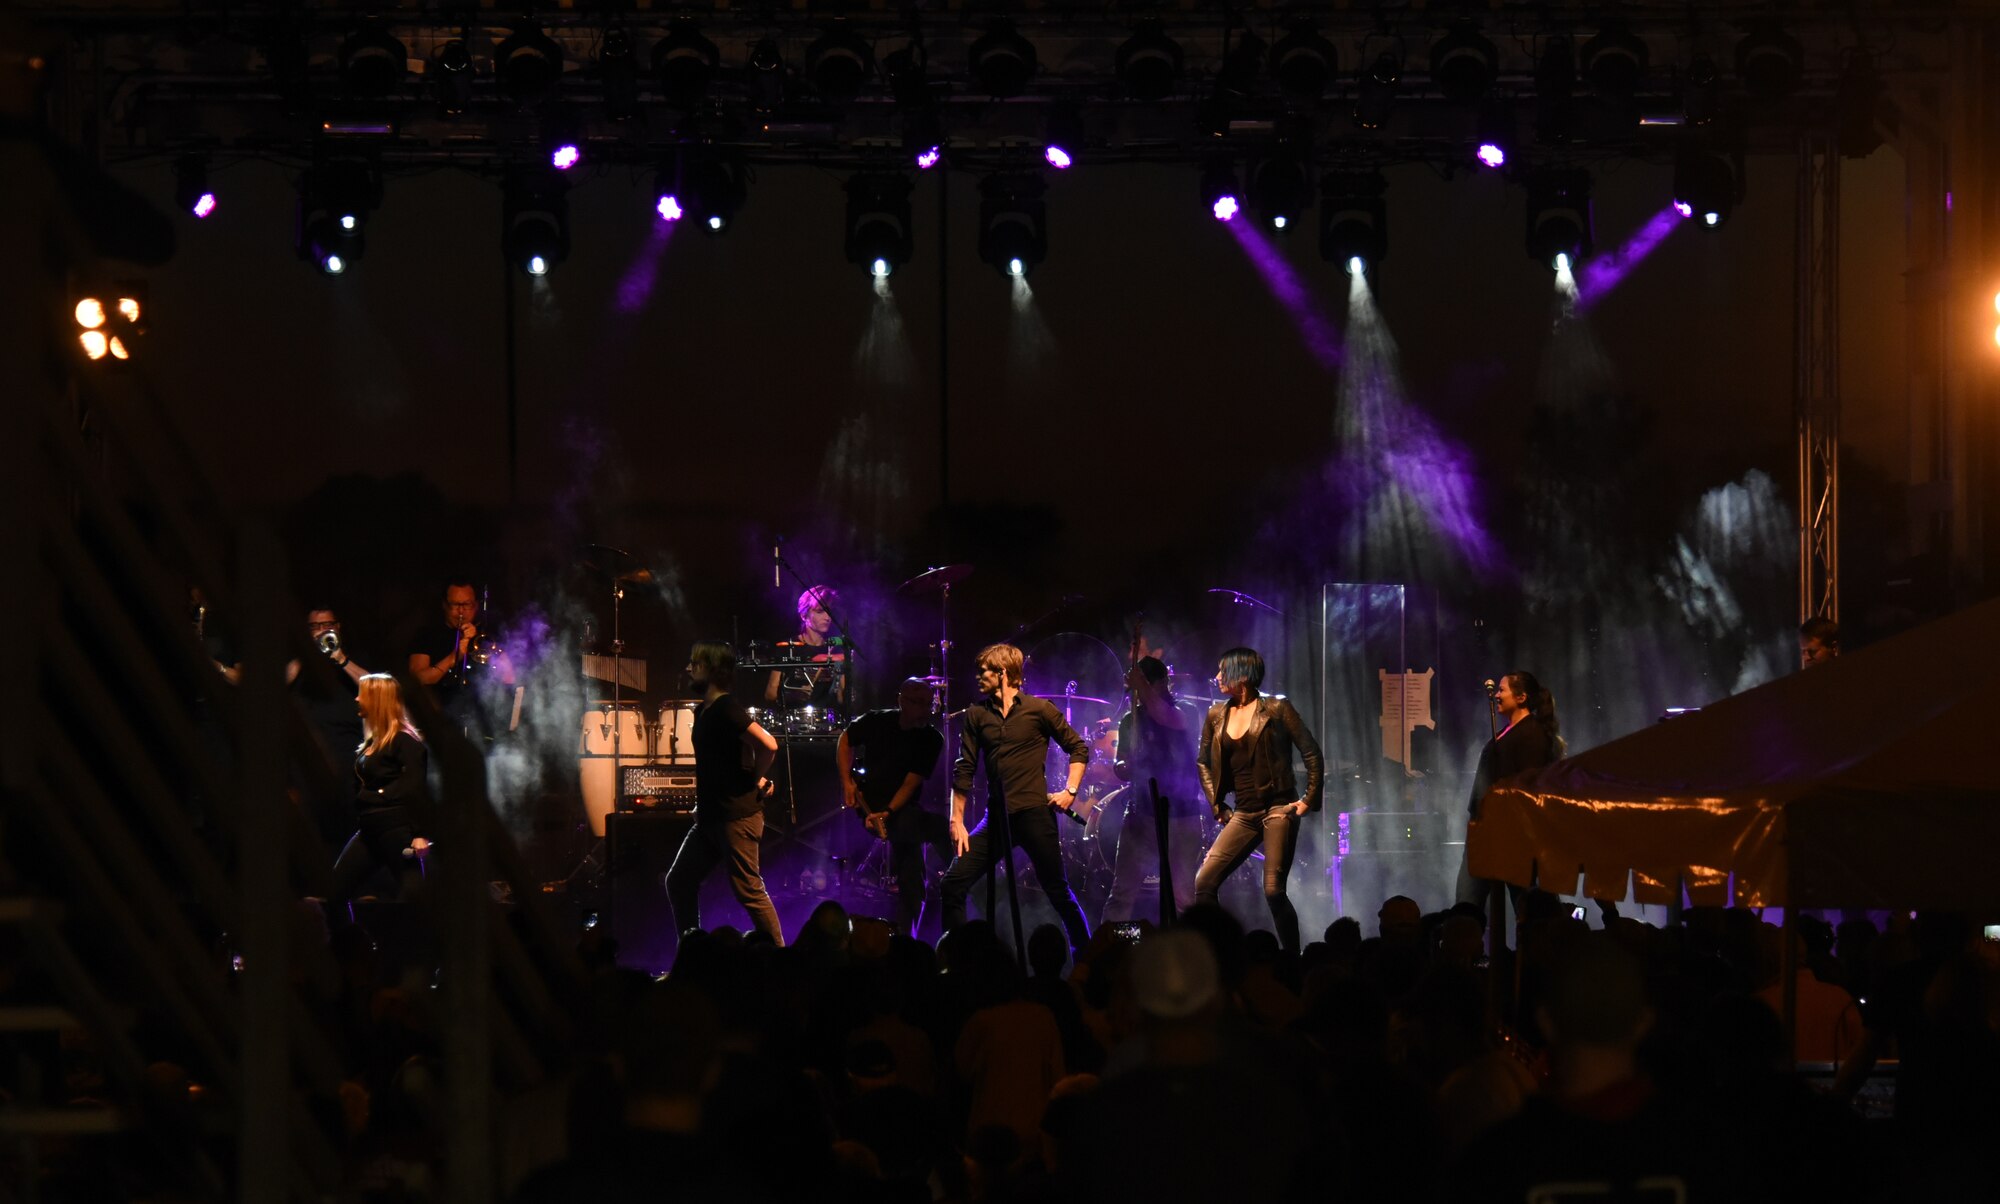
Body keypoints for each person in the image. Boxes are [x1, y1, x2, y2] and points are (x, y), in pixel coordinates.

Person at [939, 643, 1094, 951]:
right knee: (952, 883)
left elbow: (1079, 748)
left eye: (985, 670)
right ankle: (956, 959)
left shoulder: (1039, 709)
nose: (978, 675)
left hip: (1034, 815)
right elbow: (964, 768)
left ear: (1004, 673)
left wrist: (1070, 792)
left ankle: (1087, 955)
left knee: (1058, 891)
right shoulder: (976, 715)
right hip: (996, 819)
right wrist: (956, 818)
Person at [1191, 647, 1324, 955]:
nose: (1217, 677)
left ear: (1242, 675)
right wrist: (1216, 803)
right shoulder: (1216, 714)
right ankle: (1219, 955)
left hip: (1278, 808)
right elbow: (1202, 762)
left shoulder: (1277, 708)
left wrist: (1308, 799)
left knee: (1274, 891)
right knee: (1204, 882)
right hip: (1243, 812)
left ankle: (1292, 959)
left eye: (1223, 672)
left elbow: (1311, 751)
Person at [665, 642, 785, 945]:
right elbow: (718, 762)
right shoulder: (703, 709)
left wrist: (754, 779)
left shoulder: (726, 708)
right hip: (710, 816)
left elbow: (768, 745)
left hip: (735, 817)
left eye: (695, 663)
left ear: (711, 669)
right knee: (680, 881)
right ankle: (693, 957)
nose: (689, 668)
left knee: (750, 892)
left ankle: (783, 962)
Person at [837, 677, 952, 935]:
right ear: (901, 701)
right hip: (871, 810)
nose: (925, 709)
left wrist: (887, 813)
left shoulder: (931, 738)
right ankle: (962, 874)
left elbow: (910, 784)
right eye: (918, 703)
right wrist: (847, 782)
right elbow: (846, 739)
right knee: (938, 829)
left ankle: (905, 937)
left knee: (912, 873)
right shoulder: (878, 720)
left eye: (927, 703)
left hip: (898, 811)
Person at [1101, 656, 1204, 925]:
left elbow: (1169, 719)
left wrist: (1141, 687)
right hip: (1141, 813)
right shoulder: (1129, 719)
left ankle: (1185, 956)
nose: (1135, 695)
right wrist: (1126, 765)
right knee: (1122, 894)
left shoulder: (1186, 709)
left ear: (1162, 683)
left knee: (1183, 898)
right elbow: (1119, 767)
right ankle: (1113, 953)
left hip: (1182, 816)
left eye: (1141, 687)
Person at [1455, 670, 1564, 909]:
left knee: (1528, 902)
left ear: (1521, 697)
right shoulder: (1511, 732)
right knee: (1469, 902)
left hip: (1512, 834)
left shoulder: (1532, 735)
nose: (1496, 695)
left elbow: (1527, 785)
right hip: (1488, 831)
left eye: (1502, 690)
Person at [329, 675, 430, 905]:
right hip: (369, 829)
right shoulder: (372, 743)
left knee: (414, 896)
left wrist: (418, 833)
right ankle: (350, 940)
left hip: (395, 827)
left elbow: (416, 787)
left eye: (362, 694)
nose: (356, 698)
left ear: (377, 700)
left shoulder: (404, 741)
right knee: (335, 891)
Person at [288, 608, 370, 847]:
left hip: (348, 755)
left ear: (338, 627)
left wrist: (341, 659)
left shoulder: (353, 656)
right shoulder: (296, 657)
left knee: (345, 824)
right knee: (310, 826)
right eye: (315, 626)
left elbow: (374, 685)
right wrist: (306, 654)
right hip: (307, 755)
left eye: (327, 625)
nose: (322, 631)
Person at [407, 581, 516, 736]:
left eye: (467, 605)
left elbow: (509, 678)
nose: (461, 611)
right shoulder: (426, 636)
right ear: (444, 605)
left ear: (476, 606)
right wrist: (455, 656)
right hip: (439, 722)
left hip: (483, 724)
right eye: (455, 604)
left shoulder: (487, 637)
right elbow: (418, 679)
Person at [764, 583, 847, 718]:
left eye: (829, 611)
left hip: (828, 724)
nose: (828, 617)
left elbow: (841, 697)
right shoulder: (787, 647)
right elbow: (770, 694)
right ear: (804, 615)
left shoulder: (835, 650)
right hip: (794, 723)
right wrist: (792, 695)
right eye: (820, 611)